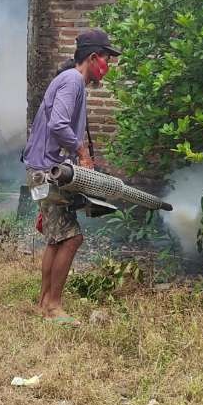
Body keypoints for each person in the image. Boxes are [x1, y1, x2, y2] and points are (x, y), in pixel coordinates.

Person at [22, 28, 120, 326]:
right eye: (106, 59)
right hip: (47, 171)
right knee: (72, 238)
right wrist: (82, 154)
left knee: (56, 239)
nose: (108, 66)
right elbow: (59, 124)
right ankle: (53, 307)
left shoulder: (69, 80)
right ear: (93, 57)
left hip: (40, 169)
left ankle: (43, 303)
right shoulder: (73, 81)